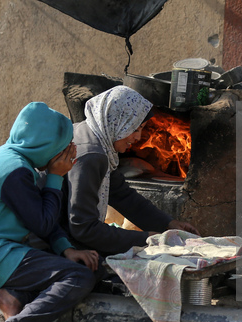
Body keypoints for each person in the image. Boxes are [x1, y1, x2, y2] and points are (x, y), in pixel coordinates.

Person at [0, 102, 100, 322]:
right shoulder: (15, 171)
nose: (68, 152)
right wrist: (56, 176)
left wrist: (65, 249)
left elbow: (39, 218)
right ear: (46, 146)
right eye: (62, 147)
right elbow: (43, 223)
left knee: (61, 265)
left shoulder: (12, 157)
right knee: (79, 277)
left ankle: (11, 298)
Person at [62, 85, 199, 256]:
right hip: (57, 245)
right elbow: (83, 228)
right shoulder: (91, 155)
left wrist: (168, 224)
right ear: (117, 120)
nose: (137, 138)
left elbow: (122, 195)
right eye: (134, 129)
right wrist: (146, 239)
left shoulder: (94, 137)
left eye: (141, 129)